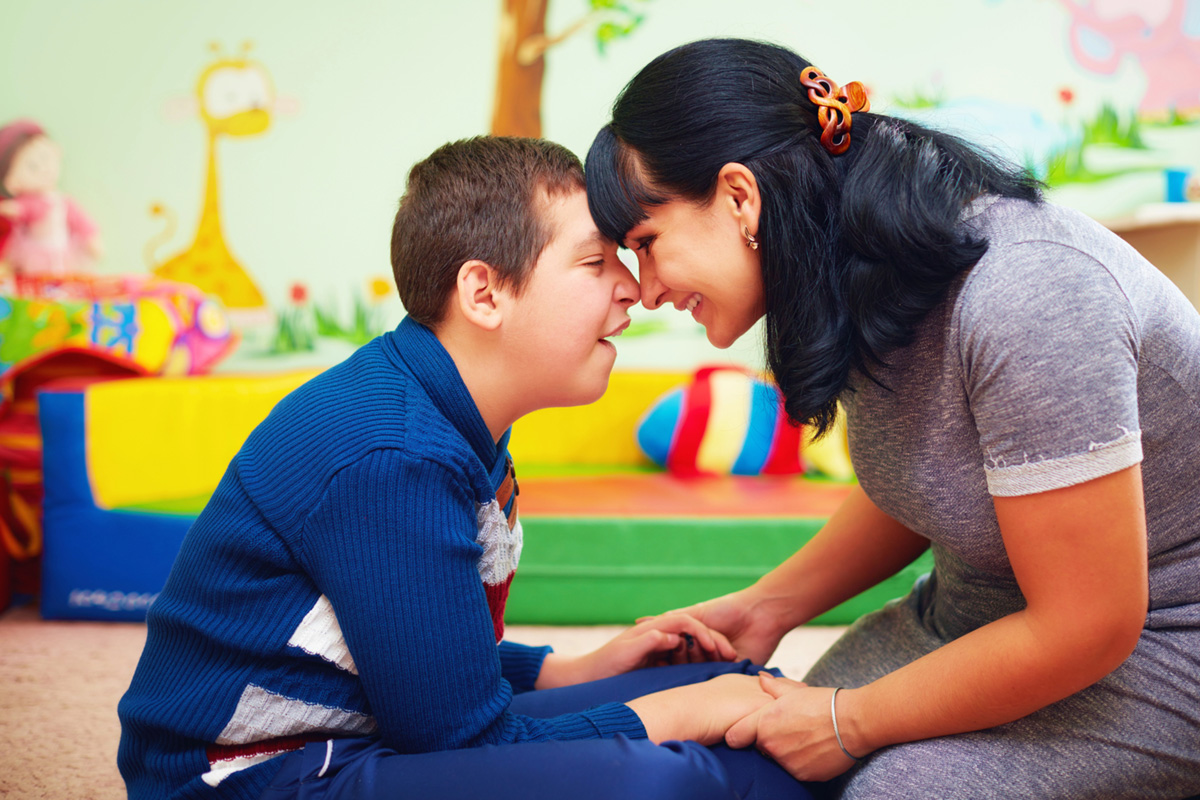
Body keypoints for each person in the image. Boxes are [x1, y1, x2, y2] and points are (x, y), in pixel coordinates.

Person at [585, 38, 1200, 800]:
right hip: (979, 614)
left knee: (891, 788)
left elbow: (1091, 623)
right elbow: (932, 474)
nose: (643, 292)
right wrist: (764, 608)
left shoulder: (1028, 291)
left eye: (647, 243)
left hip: (1160, 646)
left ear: (740, 196)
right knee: (764, 754)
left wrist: (852, 721)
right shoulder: (859, 264)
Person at [118, 136, 812, 800]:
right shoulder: (393, 455)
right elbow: (465, 740)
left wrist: (574, 669)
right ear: (484, 294)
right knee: (672, 772)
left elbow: (421, 654)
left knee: (745, 693)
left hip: (364, 735)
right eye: (595, 264)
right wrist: (690, 716)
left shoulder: (454, 420)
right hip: (257, 776)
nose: (633, 289)